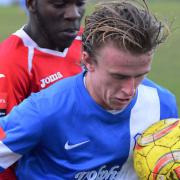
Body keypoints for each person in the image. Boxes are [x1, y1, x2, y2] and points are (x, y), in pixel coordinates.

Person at [0, 0, 178, 179]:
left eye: (140, 75)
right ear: (87, 61)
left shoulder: (163, 105)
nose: (130, 90)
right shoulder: (43, 111)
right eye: (119, 77)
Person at [0, 0, 86, 179]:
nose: (74, 14)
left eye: (79, 3)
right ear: (31, 4)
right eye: (59, 4)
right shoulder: (10, 63)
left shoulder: (90, 43)